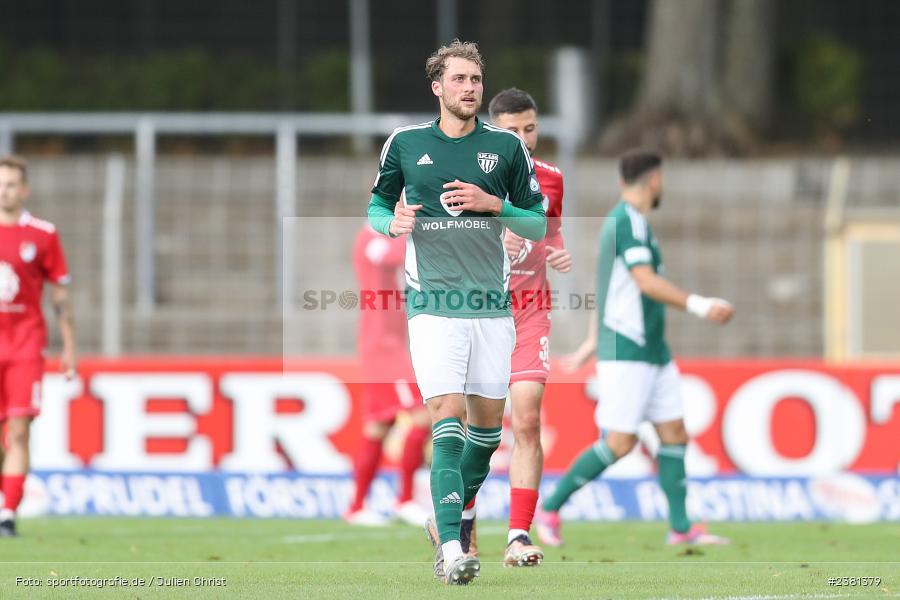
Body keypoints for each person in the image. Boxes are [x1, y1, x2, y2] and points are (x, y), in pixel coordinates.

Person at [367, 40, 546, 585]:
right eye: (460, 79)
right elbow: (377, 204)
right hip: (433, 305)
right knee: (447, 413)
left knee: (488, 433)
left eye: (476, 79)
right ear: (437, 88)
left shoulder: (506, 150)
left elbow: (538, 224)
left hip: (493, 308)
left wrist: (497, 205)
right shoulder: (405, 144)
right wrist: (389, 224)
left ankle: (440, 517)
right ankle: (452, 545)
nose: (470, 88)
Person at [534, 149, 733, 547]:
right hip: (628, 350)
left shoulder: (629, 222)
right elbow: (644, 281)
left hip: (652, 351)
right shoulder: (627, 222)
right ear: (655, 179)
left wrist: (592, 338)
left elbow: (610, 285)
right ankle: (551, 506)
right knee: (619, 442)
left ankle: (680, 528)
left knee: (674, 433)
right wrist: (700, 304)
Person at [457, 88, 571, 567]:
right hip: (479, 311)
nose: (523, 139)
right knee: (478, 431)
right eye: (511, 131)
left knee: (526, 417)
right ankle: (460, 522)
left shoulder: (551, 178)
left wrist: (557, 250)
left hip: (529, 309)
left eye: (530, 129)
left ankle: (519, 536)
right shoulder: (467, 175)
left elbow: (550, 230)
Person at [0, 155, 76, 537]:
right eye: (0, 183)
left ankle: (7, 514)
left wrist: (70, 346)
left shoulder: (43, 234)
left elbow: (60, 293)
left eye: (11, 183)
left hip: (25, 345)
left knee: (18, 430)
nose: (4, 190)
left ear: (24, 189)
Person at [344, 222, 431, 527]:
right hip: (382, 347)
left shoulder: (386, 235)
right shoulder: (371, 237)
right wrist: (421, 228)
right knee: (424, 415)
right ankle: (405, 500)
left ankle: (356, 506)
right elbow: (393, 255)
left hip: (389, 342)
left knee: (379, 426)